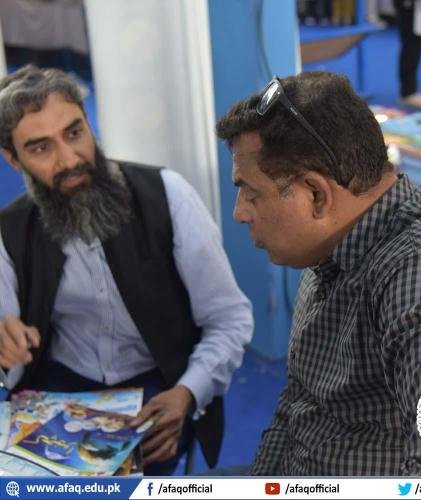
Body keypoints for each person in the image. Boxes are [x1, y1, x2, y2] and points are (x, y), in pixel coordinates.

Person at [216, 71, 421, 475]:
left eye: (251, 192)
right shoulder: (332, 244)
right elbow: (299, 404)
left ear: (316, 195)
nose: (239, 213)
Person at [0, 65, 253, 475]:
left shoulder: (167, 196)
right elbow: (6, 335)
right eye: (41, 148)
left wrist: (187, 393)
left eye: (74, 133)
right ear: (13, 160)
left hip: (160, 383)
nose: (70, 160)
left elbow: (230, 319)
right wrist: (5, 344)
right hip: (57, 385)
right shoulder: (9, 230)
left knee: (134, 477)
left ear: (89, 124)